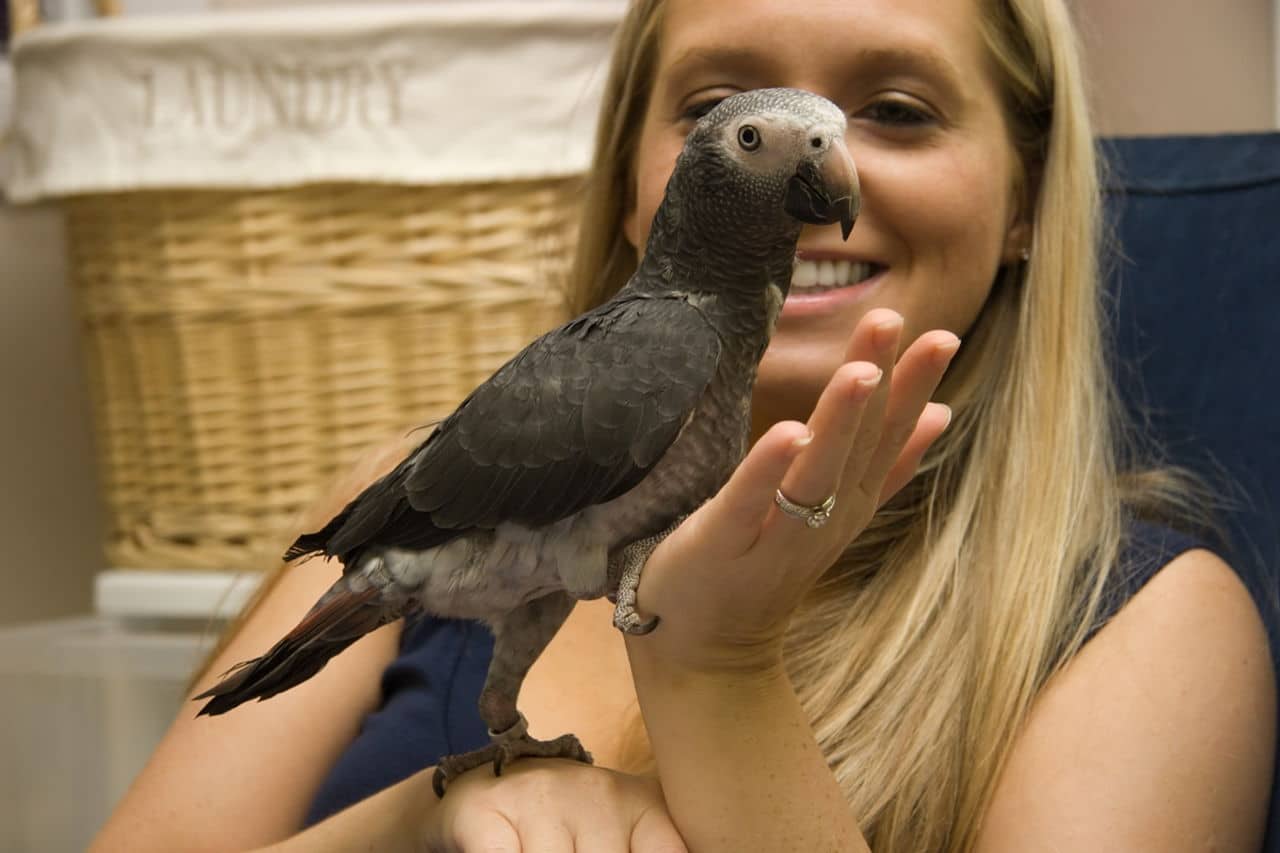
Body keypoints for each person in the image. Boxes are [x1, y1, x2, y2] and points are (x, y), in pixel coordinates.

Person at [93, 0, 1276, 850]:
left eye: (899, 112)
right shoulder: (409, 477)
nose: (825, 165)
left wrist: (713, 665)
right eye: (722, 114)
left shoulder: (1144, 627)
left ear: (1024, 201)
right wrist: (417, 820)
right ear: (628, 183)